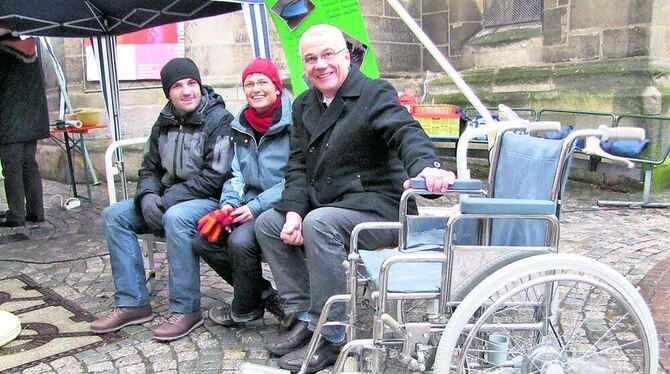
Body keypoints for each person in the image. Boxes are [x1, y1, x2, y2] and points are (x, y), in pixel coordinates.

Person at [255, 24, 456, 372]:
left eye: (328, 54)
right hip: (331, 205)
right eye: (311, 58)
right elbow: (298, 165)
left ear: (346, 57)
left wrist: (427, 167)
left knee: (320, 223)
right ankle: (305, 315)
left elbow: (405, 132)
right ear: (303, 67)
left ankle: (334, 336)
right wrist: (292, 212)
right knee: (269, 223)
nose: (321, 65)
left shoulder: (374, 93)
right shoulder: (304, 105)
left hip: (378, 210)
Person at [90, 57, 234, 341]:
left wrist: (166, 200)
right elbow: (149, 168)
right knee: (114, 216)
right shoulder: (164, 119)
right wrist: (146, 196)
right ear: (168, 92)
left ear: (200, 86)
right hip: (166, 197)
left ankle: (186, 309)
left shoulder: (219, 120)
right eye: (178, 86)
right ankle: (133, 302)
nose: (187, 91)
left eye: (192, 83)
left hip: (208, 199)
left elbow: (215, 176)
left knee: (176, 217)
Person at [191, 58, 291, 327]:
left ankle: (244, 309)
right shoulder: (241, 124)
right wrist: (228, 204)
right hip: (247, 204)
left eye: (263, 82)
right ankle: (265, 296)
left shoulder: (293, 122)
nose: (256, 89)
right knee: (204, 240)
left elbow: (295, 178)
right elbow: (236, 174)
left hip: (282, 204)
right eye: (249, 83)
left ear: (276, 87)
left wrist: (256, 207)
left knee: (240, 241)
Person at [0, 35, 49, 227]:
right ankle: (36, 212)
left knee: (12, 167)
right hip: (32, 119)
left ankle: (16, 215)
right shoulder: (35, 52)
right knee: (29, 164)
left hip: (10, 121)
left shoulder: (3, 54)